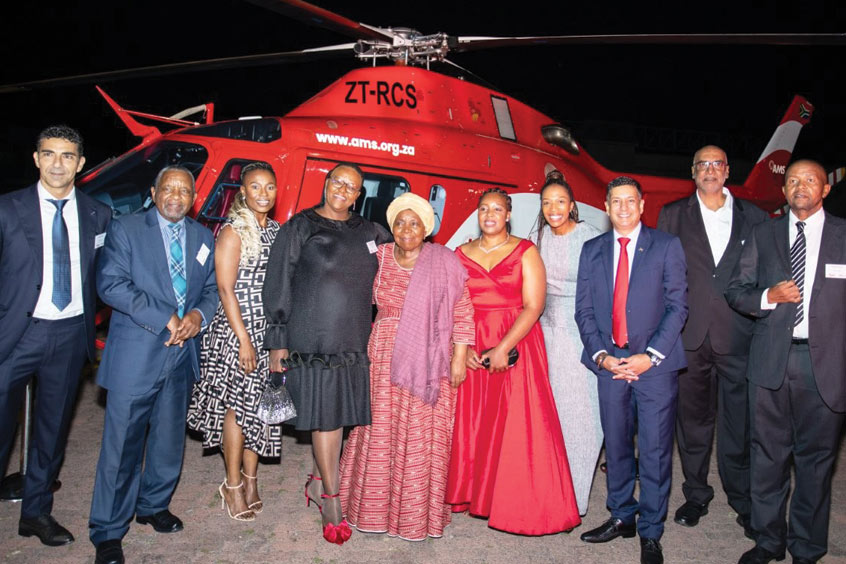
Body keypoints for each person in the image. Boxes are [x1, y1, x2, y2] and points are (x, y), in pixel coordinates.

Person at [89, 166, 219, 564]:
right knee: (122, 445)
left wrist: (198, 316)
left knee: (167, 441)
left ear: (194, 196)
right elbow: (110, 283)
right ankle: (108, 530)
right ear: (154, 191)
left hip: (181, 356)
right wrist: (166, 316)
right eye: (168, 188)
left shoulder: (202, 236)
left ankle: (153, 505)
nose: (176, 196)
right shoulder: (126, 229)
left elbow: (212, 289)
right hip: (136, 354)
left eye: (184, 190)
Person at [263, 162, 391, 545]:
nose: (343, 190)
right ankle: (332, 502)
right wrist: (277, 338)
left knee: (341, 415)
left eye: (352, 187)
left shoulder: (370, 231)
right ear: (327, 183)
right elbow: (278, 281)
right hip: (313, 338)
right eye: (338, 182)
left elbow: (402, 258)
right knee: (328, 416)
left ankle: (318, 481)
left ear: (358, 194)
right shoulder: (300, 227)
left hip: (354, 338)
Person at [726, 160, 844, 564]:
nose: (800, 186)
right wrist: (767, 297)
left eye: (810, 180)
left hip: (826, 367)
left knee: (816, 463)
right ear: (784, 190)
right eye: (792, 180)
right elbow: (737, 291)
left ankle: (807, 549)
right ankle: (768, 542)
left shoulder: (844, 236)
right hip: (771, 363)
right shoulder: (764, 233)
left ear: (825, 189)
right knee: (767, 457)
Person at [339, 192, 475, 540]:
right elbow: (351, 294)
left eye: (414, 223)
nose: (406, 229)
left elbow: (462, 310)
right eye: (400, 222)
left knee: (421, 435)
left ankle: (415, 516)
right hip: (382, 357)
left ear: (426, 228)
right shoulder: (379, 258)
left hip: (430, 358)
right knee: (379, 429)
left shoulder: (443, 261)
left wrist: (459, 356)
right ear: (392, 227)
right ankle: (370, 509)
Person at [445, 187, 580, 535]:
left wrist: (503, 347)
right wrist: (464, 349)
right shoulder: (461, 253)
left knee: (517, 424)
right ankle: (471, 494)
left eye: (497, 209)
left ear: (508, 215)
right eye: (483, 209)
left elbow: (534, 305)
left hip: (516, 341)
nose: (489, 214)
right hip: (474, 342)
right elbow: (454, 305)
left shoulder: (525, 251)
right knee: (474, 421)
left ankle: (517, 503)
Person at [0, 126, 111, 547]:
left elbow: (101, 276)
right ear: (36, 159)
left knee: (51, 433)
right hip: (14, 335)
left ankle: (36, 513)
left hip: (68, 335)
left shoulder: (99, 213)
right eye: (49, 154)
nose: (58, 163)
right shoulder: (7, 209)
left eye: (67, 156)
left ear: (81, 163)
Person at [575, 176, 687, 564]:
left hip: (654, 366)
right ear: (606, 207)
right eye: (615, 201)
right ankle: (621, 515)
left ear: (642, 205)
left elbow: (677, 307)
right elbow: (584, 311)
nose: (623, 208)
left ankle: (651, 531)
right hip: (610, 364)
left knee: (655, 451)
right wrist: (602, 357)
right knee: (618, 446)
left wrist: (649, 355)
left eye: (630, 201)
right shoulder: (591, 250)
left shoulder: (667, 246)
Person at [657, 145, 768, 536]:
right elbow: (662, 276)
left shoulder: (754, 217)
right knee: (692, 423)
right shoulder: (673, 215)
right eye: (702, 164)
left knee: (740, 425)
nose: (709, 170)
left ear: (727, 171)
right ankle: (696, 494)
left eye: (716, 164)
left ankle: (742, 499)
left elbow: (765, 276)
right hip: (689, 337)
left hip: (738, 335)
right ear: (693, 172)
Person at [187, 162, 281, 522]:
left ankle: (251, 479)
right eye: (255, 187)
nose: (262, 193)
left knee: (262, 409)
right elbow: (225, 289)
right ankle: (231, 485)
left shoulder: (275, 230)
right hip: (235, 330)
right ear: (243, 191)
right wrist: (243, 339)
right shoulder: (232, 231)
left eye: (269, 187)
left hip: (266, 330)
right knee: (237, 409)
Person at [530, 176, 604, 516]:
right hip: (542, 337)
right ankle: (546, 491)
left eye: (560, 201)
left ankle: (575, 498)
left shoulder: (591, 239)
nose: (554, 208)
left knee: (584, 419)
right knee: (545, 418)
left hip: (580, 337)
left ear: (572, 205)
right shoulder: (534, 241)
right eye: (547, 203)